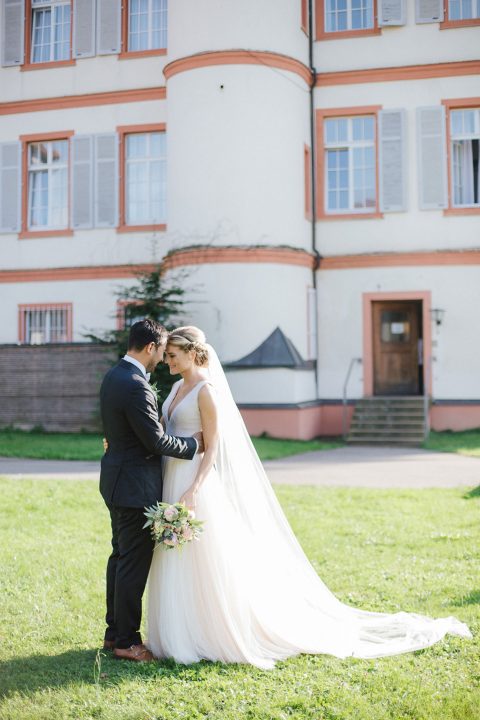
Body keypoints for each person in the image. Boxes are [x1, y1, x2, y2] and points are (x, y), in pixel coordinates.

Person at [146, 326, 472, 670]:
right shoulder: (177, 386)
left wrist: (193, 489)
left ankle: (207, 632)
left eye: (172, 355)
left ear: (191, 353)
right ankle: (176, 630)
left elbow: (213, 449)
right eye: (166, 355)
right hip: (171, 473)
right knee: (173, 555)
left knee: (203, 558)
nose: (167, 360)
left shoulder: (205, 391)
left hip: (194, 482)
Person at [99, 319, 203, 662]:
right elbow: (155, 440)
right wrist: (192, 445)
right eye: (161, 350)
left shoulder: (114, 376)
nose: (162, 358)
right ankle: (127, 642)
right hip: (134, 486)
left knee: (119, 558)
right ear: (150, 348)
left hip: (115, 481)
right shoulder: (135, 385)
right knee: (132, 564)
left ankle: (113, 633)